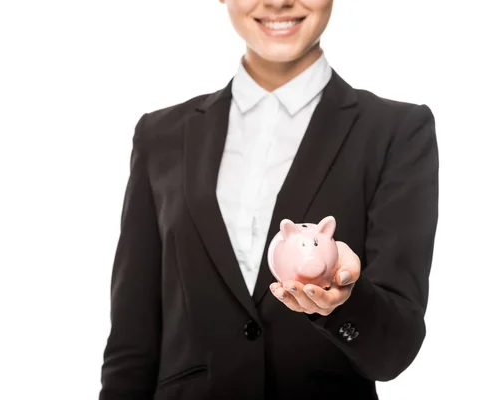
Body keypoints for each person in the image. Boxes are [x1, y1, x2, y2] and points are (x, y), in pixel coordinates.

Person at [99, 0, 439, 399]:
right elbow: (131, 340)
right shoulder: (161, 136)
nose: (278, 1)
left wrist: (343, 302)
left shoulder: (396, 132)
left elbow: (394, 352)